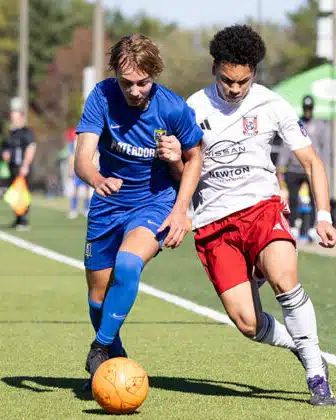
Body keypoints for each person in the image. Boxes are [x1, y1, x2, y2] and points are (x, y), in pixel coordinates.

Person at [161, 25, 336, 406]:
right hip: (214, 224)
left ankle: (316, 374)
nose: (234, 89)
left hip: (261, 209)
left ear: (254, 73)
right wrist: (175, 162)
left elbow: (312, 162)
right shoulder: (192, 108)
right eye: (227, 80)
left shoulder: (273, 105)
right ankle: (301, 345)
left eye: (243, 81)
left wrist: (323, 215)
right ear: (215, 69)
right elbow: (184, 172)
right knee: (247, 323)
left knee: (284, 279)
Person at [74, 34, 203, 383]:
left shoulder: (172, 108)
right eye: (126, 82)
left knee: (128, 264)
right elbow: (82, 159)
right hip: (107, 205)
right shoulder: (101, 96)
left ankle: (99, 347)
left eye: (142, 83)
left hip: (154, 201)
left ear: (154, 75)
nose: (134, 90)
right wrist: (97, 179)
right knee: (98, 297)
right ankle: (113, 366)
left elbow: (195, 159)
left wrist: (180, 210)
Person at [277, 94, 331, 243]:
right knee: (293, 199)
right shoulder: (295, 123)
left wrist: (322, 168)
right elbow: (286, 145)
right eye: (305, 109)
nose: (307, 111)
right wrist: (281, 166)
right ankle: (293, 226)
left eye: (309, 109)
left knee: (315, 198)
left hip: (311, 169)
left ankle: (313, 228)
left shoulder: (321, 126)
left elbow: (325, 148)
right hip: (294, 167)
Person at [1, 99, 36, 230]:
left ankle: (24, 219)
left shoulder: (26, 132)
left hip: (22, 167)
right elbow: (8, 148)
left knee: (22, 194)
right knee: (14, 194)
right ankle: (18, 218)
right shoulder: (12, 132)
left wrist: (25, 165)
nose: (12, 116)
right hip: (13, 167)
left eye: (14, 113)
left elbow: (31, 148)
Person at [66, 138, 93, 219]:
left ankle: (86, 209)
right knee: (75, 189)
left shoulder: (91, 139)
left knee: (87, 190)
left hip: (88, 168)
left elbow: (96, 154)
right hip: (77, 168)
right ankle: (73, 209)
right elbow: (71, 156)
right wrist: (70, 168)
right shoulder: (73, 143)